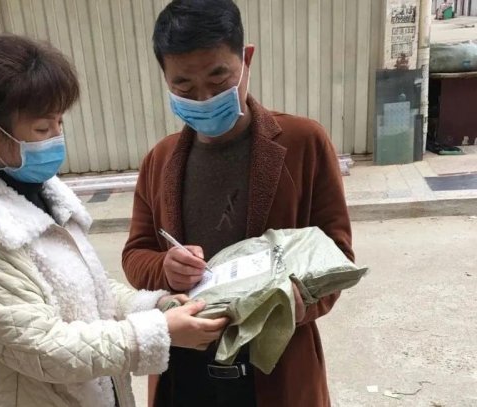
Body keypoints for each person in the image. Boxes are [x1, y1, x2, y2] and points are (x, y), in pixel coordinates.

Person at [0, 22, 228, 407]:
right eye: (42, 127)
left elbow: (86, 292)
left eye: (59, 122)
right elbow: (39, 347)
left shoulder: (39, 191)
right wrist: (158, 331)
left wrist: (155, 306)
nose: (56, 138)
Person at [122, 1, 353, 406]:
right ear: (165, 79)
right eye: (184, 87)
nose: (204, 97)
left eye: (219, 78)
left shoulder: (304, 143)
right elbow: (136, 253)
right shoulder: (159, 160)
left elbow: (337, 253)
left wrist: (297, 300)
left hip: (274, 371)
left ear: (246, 59)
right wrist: (165, 268)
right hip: (184, 373)